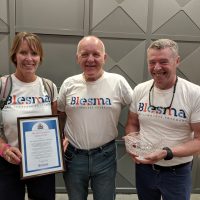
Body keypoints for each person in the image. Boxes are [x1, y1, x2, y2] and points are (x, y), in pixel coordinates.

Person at [57, 35, 133, 200]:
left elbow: (135, 111)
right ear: (78, 58)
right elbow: (60, 114)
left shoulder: (118, 82)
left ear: (104, 58)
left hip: (105, 156)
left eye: (96, 54)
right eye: (84, 54)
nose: (90, 59)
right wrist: (59, 137)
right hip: (73, 157)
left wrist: (133, 133)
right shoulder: (69, 84)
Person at [125, 38, 200, 200]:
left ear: (177, 61)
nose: (157, 68)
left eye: (163, 62)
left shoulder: (194, 94)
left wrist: (167, 152)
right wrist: (132, 143)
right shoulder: (140, 90)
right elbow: (132, 123)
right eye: (152, 62)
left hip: (177, 172)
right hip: (145, 169)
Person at [0, 32, 58, 200]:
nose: (29, 58)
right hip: (9, 163)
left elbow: (55, 125)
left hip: (42, 162)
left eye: (34, 53)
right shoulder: (3, 86)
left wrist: (61, 139)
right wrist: (4, 150)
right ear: (14, 56)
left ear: (40, 57)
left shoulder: (49, 87)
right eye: (23, 52)